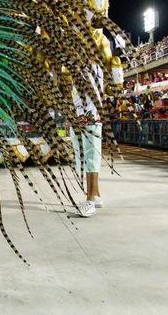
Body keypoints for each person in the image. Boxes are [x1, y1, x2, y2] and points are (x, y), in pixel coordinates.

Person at [69, 62, 104, 218]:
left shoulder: (93, 71)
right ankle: (96, 195)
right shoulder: (77, 75)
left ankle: (89, 200)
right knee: (83, 159)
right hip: (78, 122)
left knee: (91, 159)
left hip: (91, 122)